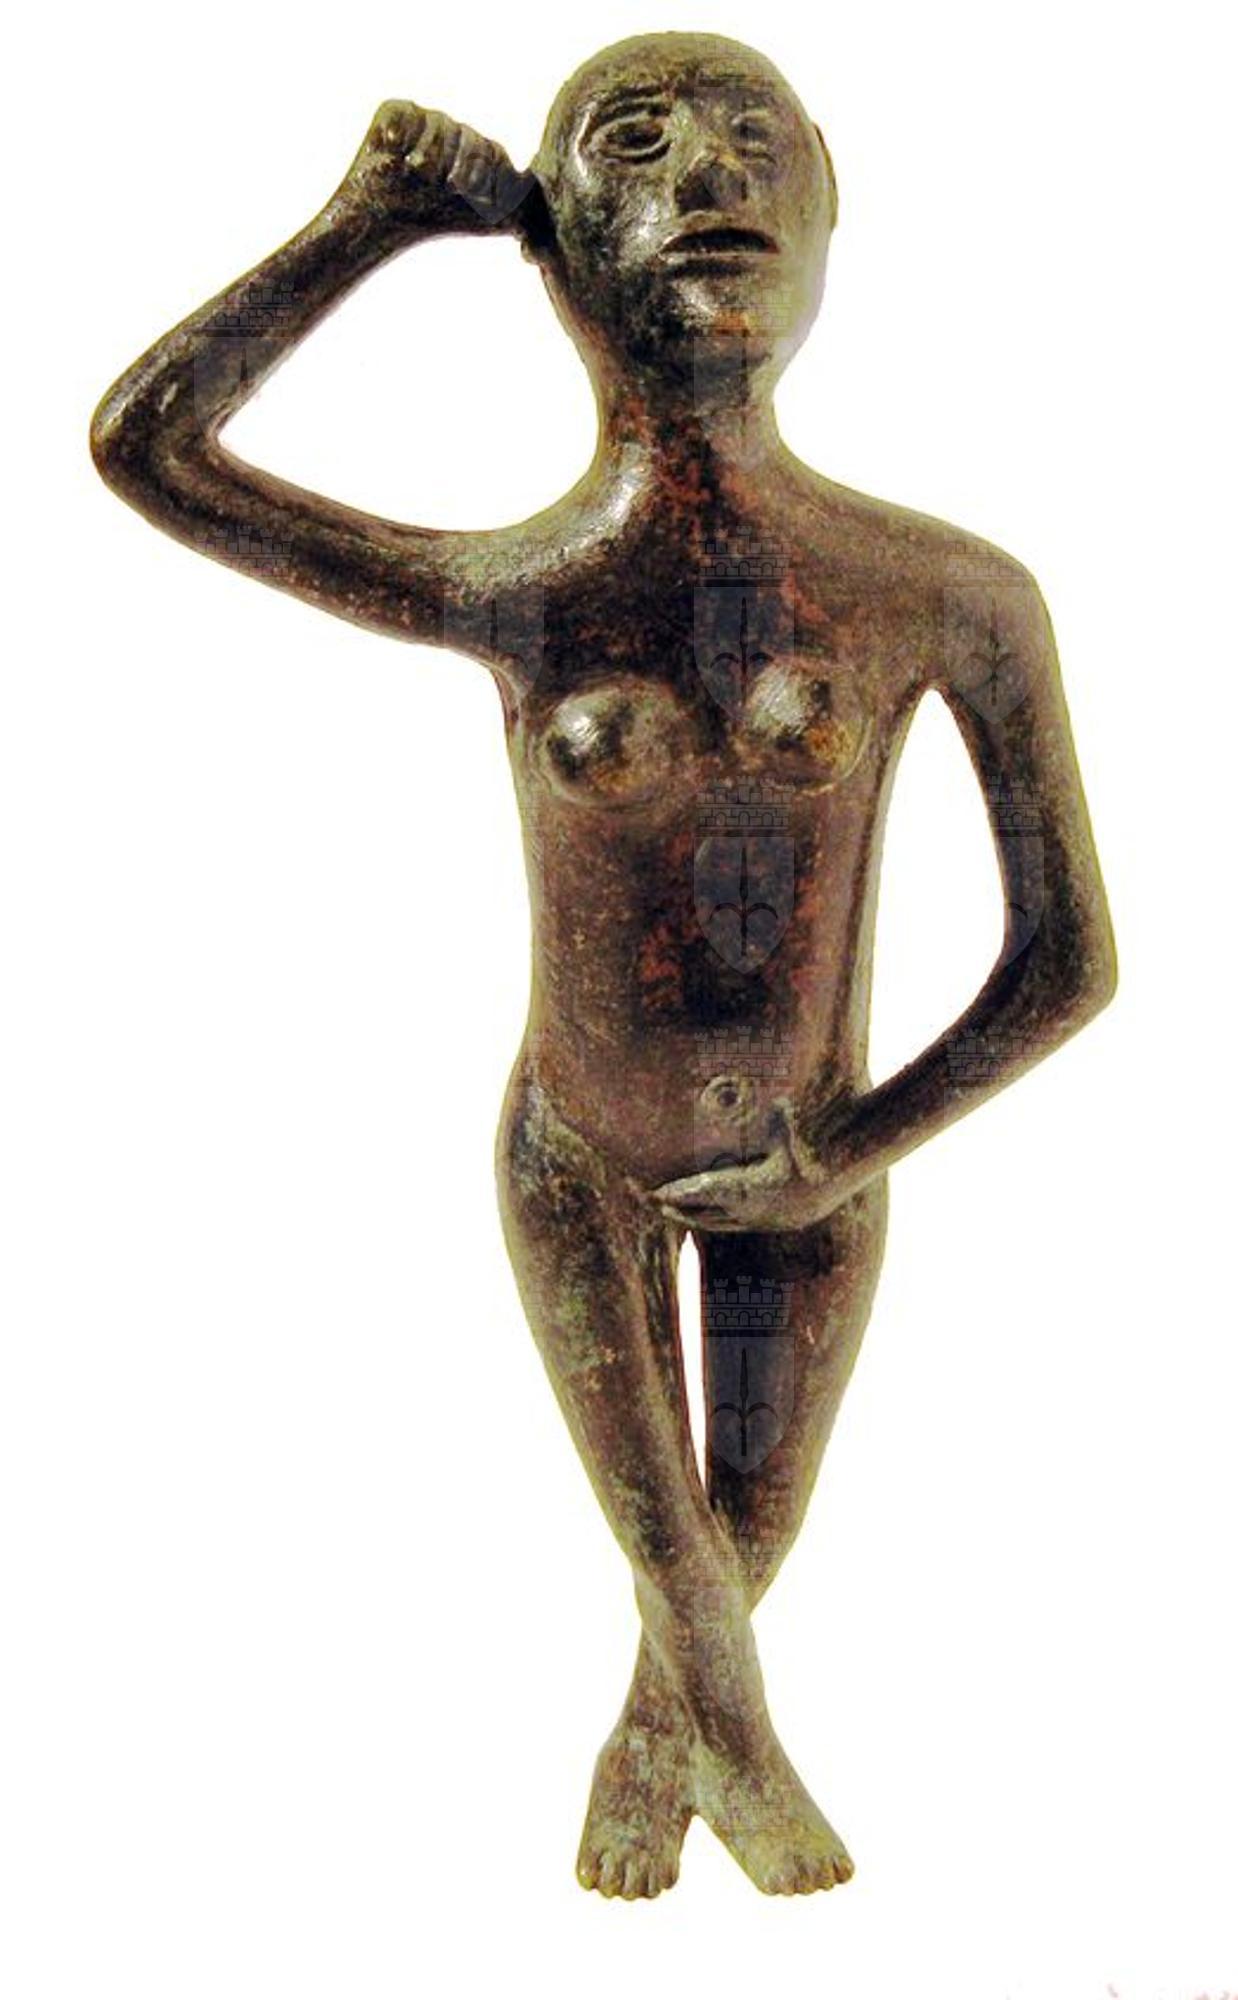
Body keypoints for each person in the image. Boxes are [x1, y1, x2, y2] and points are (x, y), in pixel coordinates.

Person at [90, 30, 1117, 1898]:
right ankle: (743, 1777)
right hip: (577, 1155)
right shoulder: (529, 592)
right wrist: (362, 224)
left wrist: (841, 1152)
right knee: (679, 1560)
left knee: (735, 1544)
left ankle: (655, 1748)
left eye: (751, 140)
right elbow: (146, 448)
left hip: (819, 1166)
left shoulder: (945, 593)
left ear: (830, 210)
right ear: (556, 252)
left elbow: (1065, 960)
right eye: (633, 145)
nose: (707, 176)